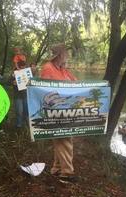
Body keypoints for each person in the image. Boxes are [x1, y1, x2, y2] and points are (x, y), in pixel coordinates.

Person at [40, 43, 77, 183]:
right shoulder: (48, 68)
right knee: (65, 139)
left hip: (66, 110)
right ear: (59, 55)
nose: (67, 56)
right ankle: (67, 172)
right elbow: (43, 91)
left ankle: (56, 168)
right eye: (65, 53)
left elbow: (76, 83)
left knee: (61, 139)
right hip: (55, 112)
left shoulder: (63, 70)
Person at [11, 61, 28, 128]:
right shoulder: (14, 73)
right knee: (19, 112)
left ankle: (24, 125)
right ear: (18, 67)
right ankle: (19, 126)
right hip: (17, 96)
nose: (23, 69)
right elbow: (8, 81)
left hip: (25, 95)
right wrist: (13, 82)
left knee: (26, 111)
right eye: (22, 67)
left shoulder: (27, 73)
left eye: (24, 67)